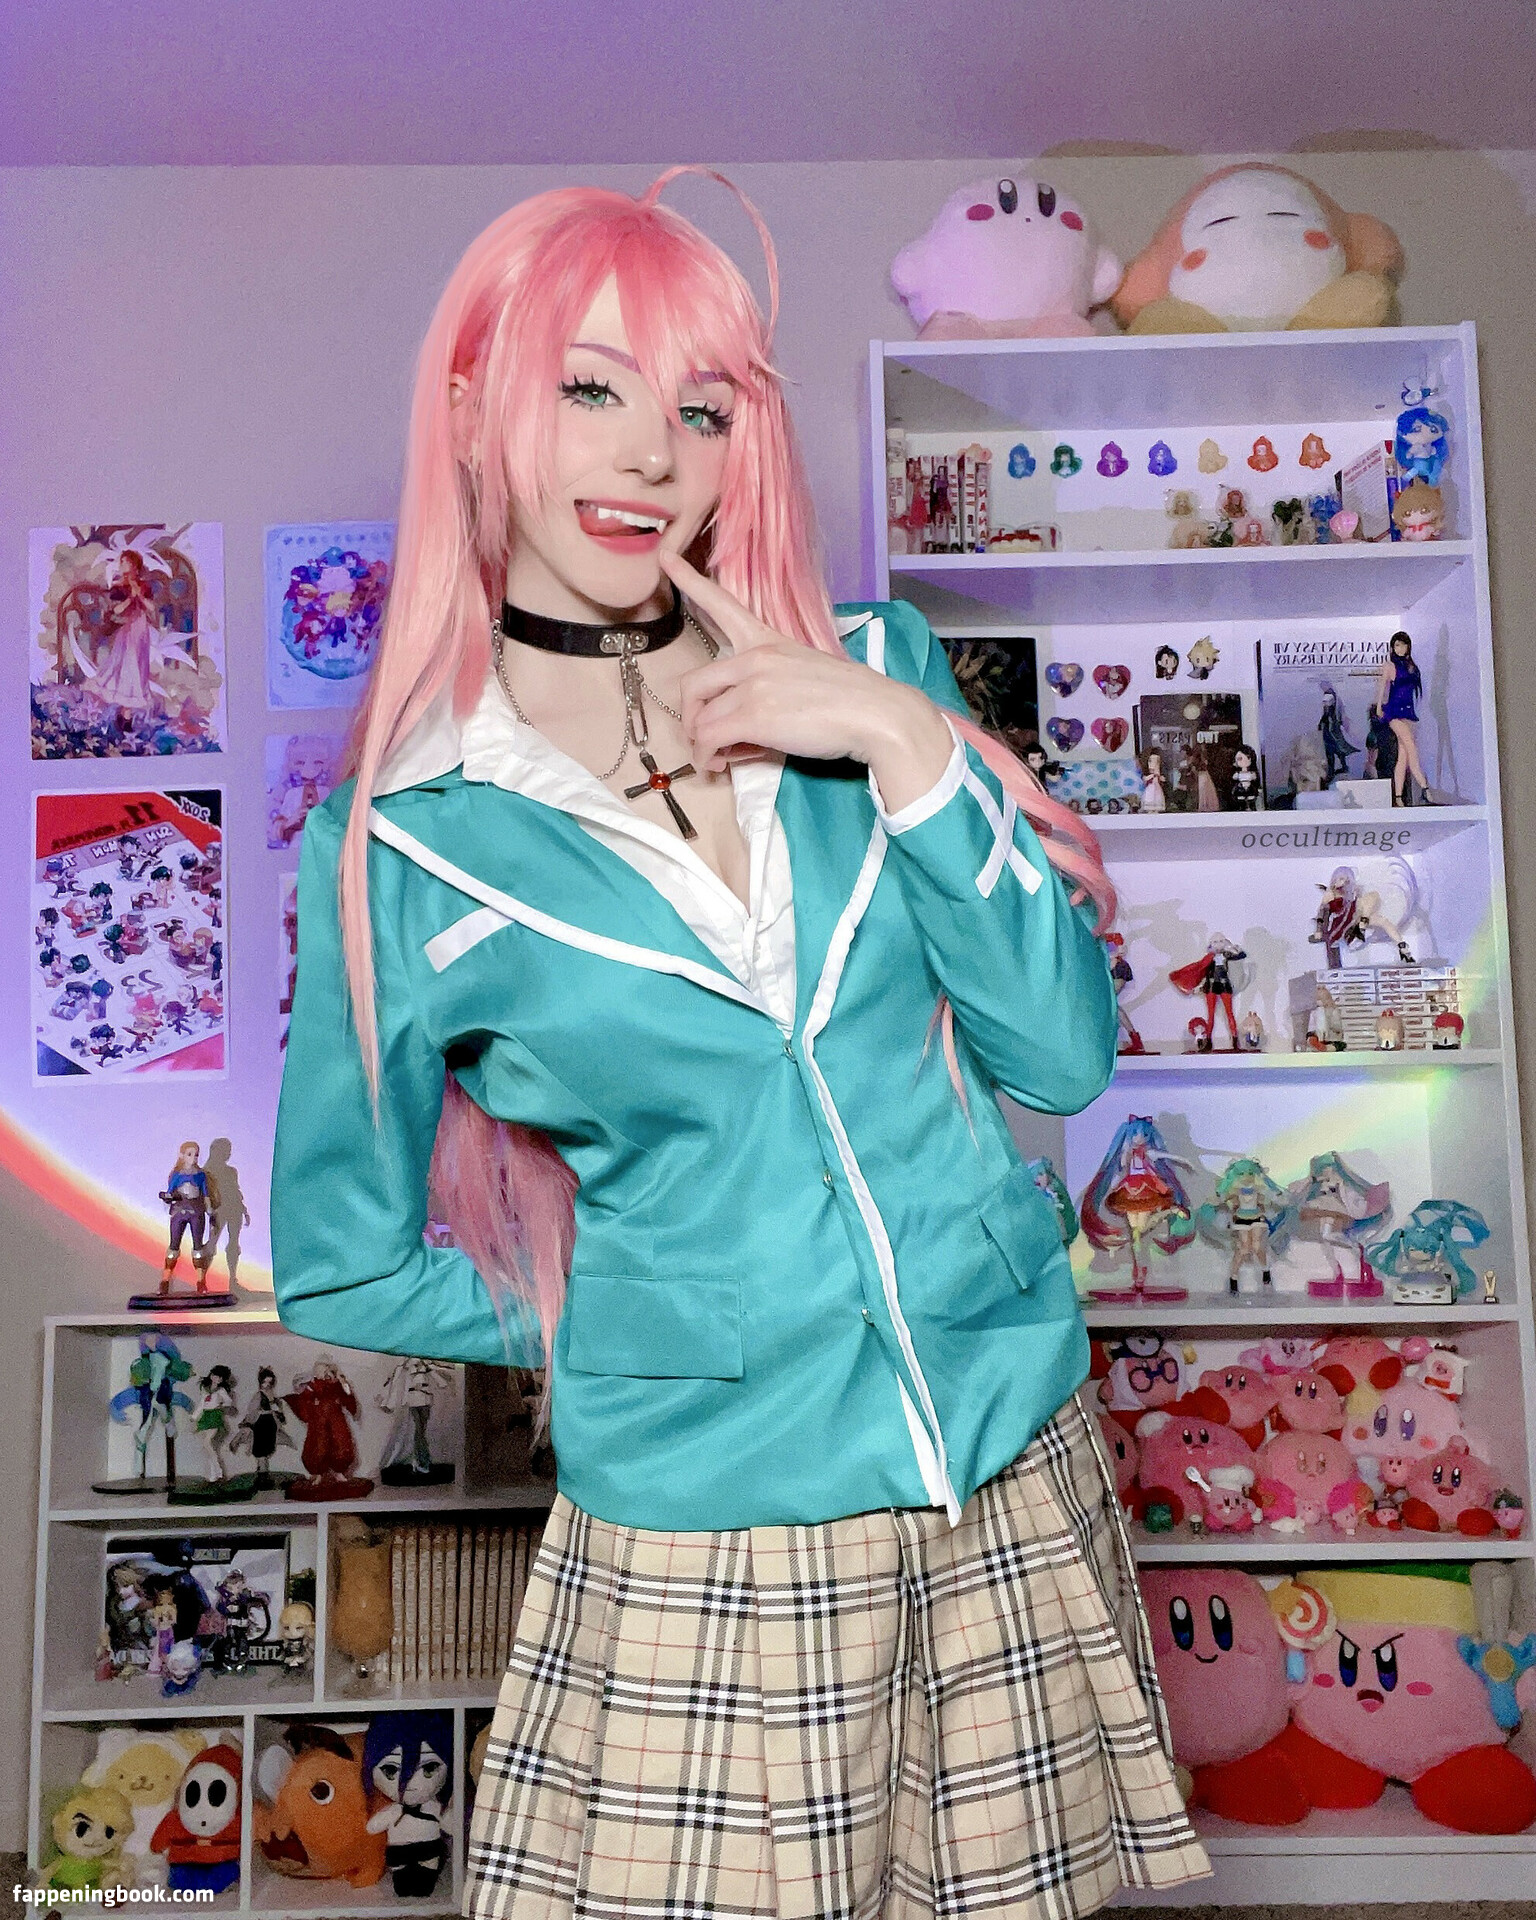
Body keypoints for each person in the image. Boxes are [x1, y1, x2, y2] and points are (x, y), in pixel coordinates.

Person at [271, 171, 1207, 1919]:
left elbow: (1062, 1062)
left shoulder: (875, 667)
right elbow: (340, 1259)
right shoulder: (398, 843)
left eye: (701, 410)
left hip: (1000, 1459)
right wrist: (635, 1317)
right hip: (713, 1524)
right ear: (470, 412)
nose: (650, 453)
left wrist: (904, 746)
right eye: (591, 387)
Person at [1376, 628, 1433, 805]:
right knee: (1410, 746)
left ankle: (1398, 797)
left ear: (1408, 647)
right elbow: (1382, 688)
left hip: (1407, 712)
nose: (1400, 649)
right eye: (1397, 645)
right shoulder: (1389, 666)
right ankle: (1424, 787)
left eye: (1403, 645)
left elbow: (1414, 689)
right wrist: (1379, 707)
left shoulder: (1410, 666)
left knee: (1403, 756)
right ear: (1392, 648)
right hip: (1393, 712)